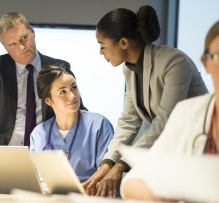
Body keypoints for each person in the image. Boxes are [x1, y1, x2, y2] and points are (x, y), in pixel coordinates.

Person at [83, 5, 208, 197]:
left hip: (201, 151)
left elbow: (164, 122)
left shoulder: (174, 62)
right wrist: (107, 163)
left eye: (102, 46)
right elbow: (129, 120)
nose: (101, 52)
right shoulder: (129, 69)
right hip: (173, 150)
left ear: (123, 42)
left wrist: (121, 165)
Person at [121, 21, 219, 201]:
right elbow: (134, 181)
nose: (101, 52)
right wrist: (161, 195)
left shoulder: (175, 62)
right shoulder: (188, 114)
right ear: (206, 63)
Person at [0, 11, 82, 146]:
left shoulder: (59, 68)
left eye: (24, 38)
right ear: (5, 47)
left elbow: (75, 109)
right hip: (5, 152)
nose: (21, 47)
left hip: (47, 152)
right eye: (12, 44)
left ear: (33, 32)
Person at [30, 66, 114, 182]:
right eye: (63, 91)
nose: (72, 96)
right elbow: (36, 178)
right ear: (49, 101)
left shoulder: (99, 125)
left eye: (74, 87)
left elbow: (106, 176)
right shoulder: (38, 133)